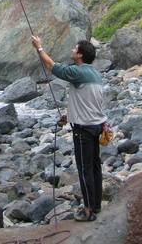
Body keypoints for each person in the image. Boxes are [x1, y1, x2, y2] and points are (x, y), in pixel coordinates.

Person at [31, 35, 106, 222]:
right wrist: (68, 115)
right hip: (97, 126)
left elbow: (52, 66)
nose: (72, 50)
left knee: (85, 169)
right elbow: (86, 100)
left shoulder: (77, 72)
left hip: (84, 129)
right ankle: (96, 204)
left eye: (74, 48)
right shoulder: (95, 74)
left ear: (80, 55)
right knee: (95, 167)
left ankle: (88, 210)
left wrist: (39, 48)